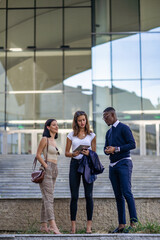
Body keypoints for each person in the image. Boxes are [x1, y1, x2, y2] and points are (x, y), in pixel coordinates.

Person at [103, 107, 138, 233]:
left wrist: (115, 149)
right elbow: (105, 148)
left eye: (106, 116)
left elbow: (132, 144)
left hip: (124, 163)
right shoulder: (108, 132)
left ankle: (134, 223)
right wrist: (107, 150)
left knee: (127, 192)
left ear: (113, 115)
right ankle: (121, 225)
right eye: (103, 117)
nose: (104, 119)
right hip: (112, 166)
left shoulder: (124, 127)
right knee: (118, 196)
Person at [65, 111, 96, 234]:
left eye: (84, 120)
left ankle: (89, 226)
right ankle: (73, 226)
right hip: (75, 164)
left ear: (86, 120)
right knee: (74, 196)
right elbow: (66, 153)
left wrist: (89, 153)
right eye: (79, 120)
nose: (82, 122)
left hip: (87, 165)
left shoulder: (91, 135)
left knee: (89, 195)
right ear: (76, 121)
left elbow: (94, 153)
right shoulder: (71, 135)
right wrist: (74, 153)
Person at [36, 119, 61, 234]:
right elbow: (38, 155)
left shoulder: (54, 141)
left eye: (57, 125)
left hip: (54, 169)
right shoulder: (44, 139)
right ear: (48, 127)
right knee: (49, 198)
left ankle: (43, 225)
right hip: (47, 169)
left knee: (46, 198)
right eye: (54, 125)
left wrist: (53, 168)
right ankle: (53, 225)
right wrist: (46, 166)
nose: (56, 127)